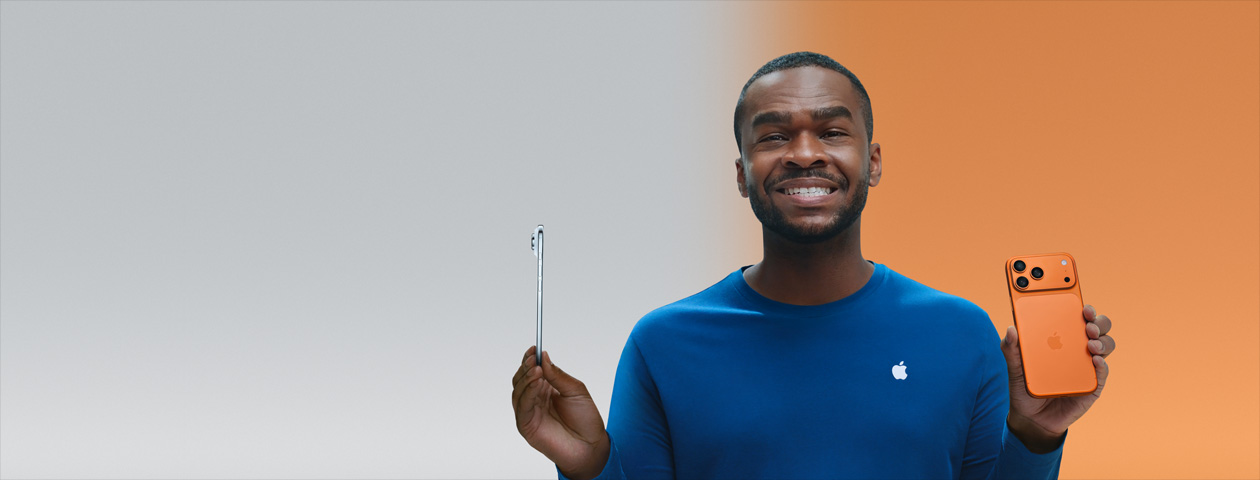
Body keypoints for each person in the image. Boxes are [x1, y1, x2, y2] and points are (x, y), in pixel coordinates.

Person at [509, 51, 1117, 480]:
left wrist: (1036, 437)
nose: (804, 154)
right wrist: (587, 468)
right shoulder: (663, 344)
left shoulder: (962, 334)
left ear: (872, 161)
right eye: (774, 137)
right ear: (742, 175)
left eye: (831, 131)